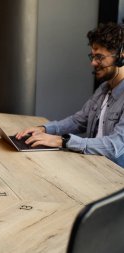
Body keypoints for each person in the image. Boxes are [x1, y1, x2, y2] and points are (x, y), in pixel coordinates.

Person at [16, 22, 124, 167]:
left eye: (99, 57)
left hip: (115, 178)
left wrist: (62, 141)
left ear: (121, 56)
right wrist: (44, 129)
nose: (93, 63)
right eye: (92, 57)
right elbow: (79, 121)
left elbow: (114, 146)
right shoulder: (104, 89)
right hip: (93, 166)